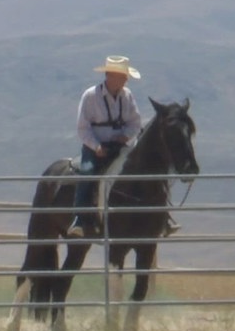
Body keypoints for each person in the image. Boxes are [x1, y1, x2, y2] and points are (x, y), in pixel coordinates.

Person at [67, 55, 180, 239]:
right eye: (123, 76)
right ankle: (80, 218)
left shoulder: (127, 96)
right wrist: (96, 147)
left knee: (145, 170)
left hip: (120, 146)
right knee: (87, 172)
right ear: (111, 75)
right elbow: (83, 128)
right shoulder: (90, 96)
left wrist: (126, 136)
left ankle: (162, 217)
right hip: (95, 148)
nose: (126, 79)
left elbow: (135, 123)